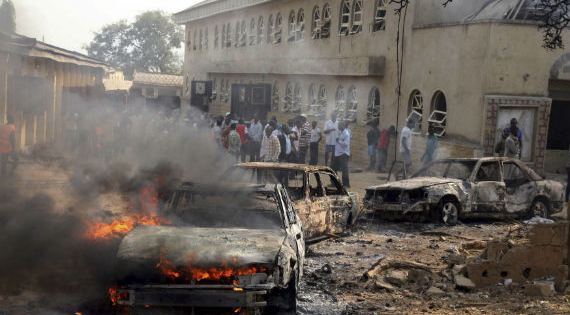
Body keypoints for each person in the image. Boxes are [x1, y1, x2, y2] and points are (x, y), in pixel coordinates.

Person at [334, 121, 351, 188]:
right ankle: (334, 183)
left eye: (339, 125)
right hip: (337, 153)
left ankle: (346, 184)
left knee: (344, 170)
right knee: (334, 168)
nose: (338, 126)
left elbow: (346, 144)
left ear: (342, 125)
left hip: (343, 154)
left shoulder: (346, 134)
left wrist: (339, 141)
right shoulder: (340, 132)